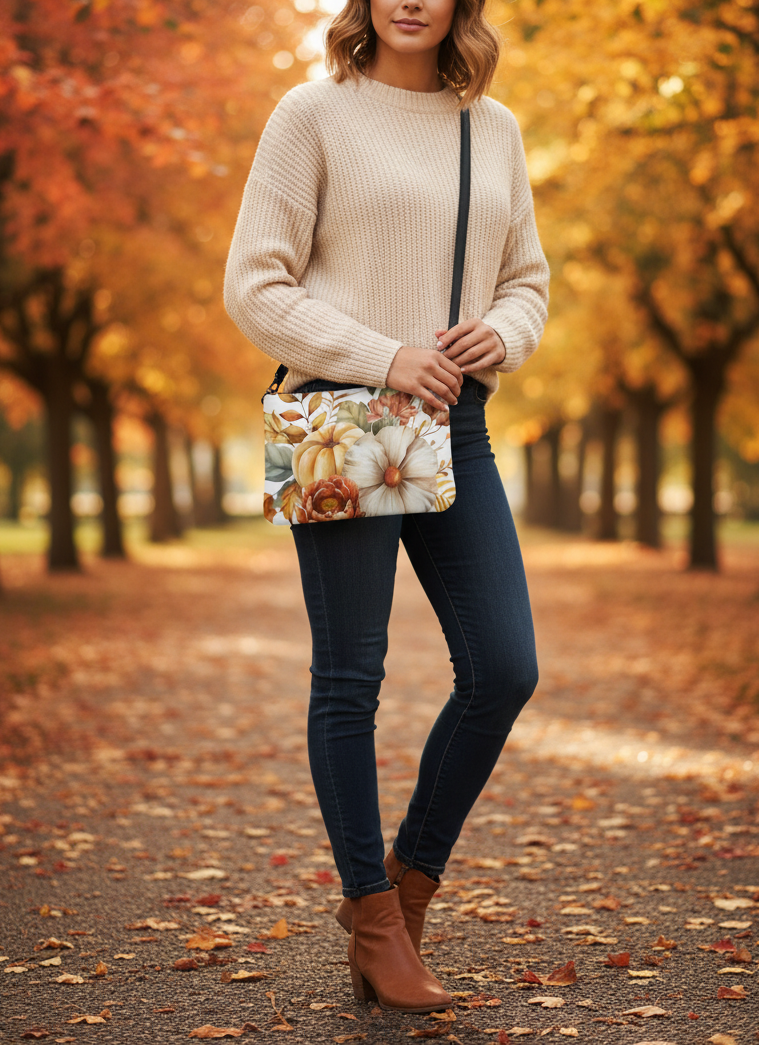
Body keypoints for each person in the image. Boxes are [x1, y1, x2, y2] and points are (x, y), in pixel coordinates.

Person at [223, 0, 549, 1014]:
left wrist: (502, 331)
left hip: (456, 419)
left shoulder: (488, 128)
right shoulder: (311, 114)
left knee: (504, 665)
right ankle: (370, 914)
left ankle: (409, 887)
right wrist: (383, 354)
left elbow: (528, 282)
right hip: (340, 416)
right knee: (351, 673)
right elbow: (255, 287)